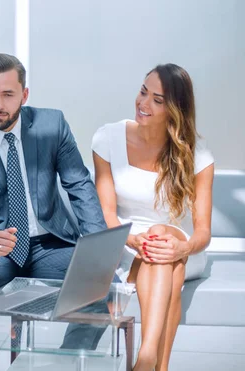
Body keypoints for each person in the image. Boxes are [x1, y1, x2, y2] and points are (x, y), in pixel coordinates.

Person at [0, 53, 108, 349]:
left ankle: (65, 362)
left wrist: (98, 245)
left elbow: (79, 184)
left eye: (7, 94)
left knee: (100, 275)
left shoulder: (51, 125)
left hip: (48, 246)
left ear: (24, 94)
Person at [91, 63, 213, 371]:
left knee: (163, 236)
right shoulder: (108, 139)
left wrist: (183, 248)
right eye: (143, 92)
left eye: (157, 100)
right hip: (126, 243)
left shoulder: (197, 154)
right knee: (162, 258)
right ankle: (155, 365)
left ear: (175, 110)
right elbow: (104, 213)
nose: (144, 104)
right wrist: (132, 239)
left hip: (182, 247)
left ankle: (145, 358)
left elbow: (202, 232)